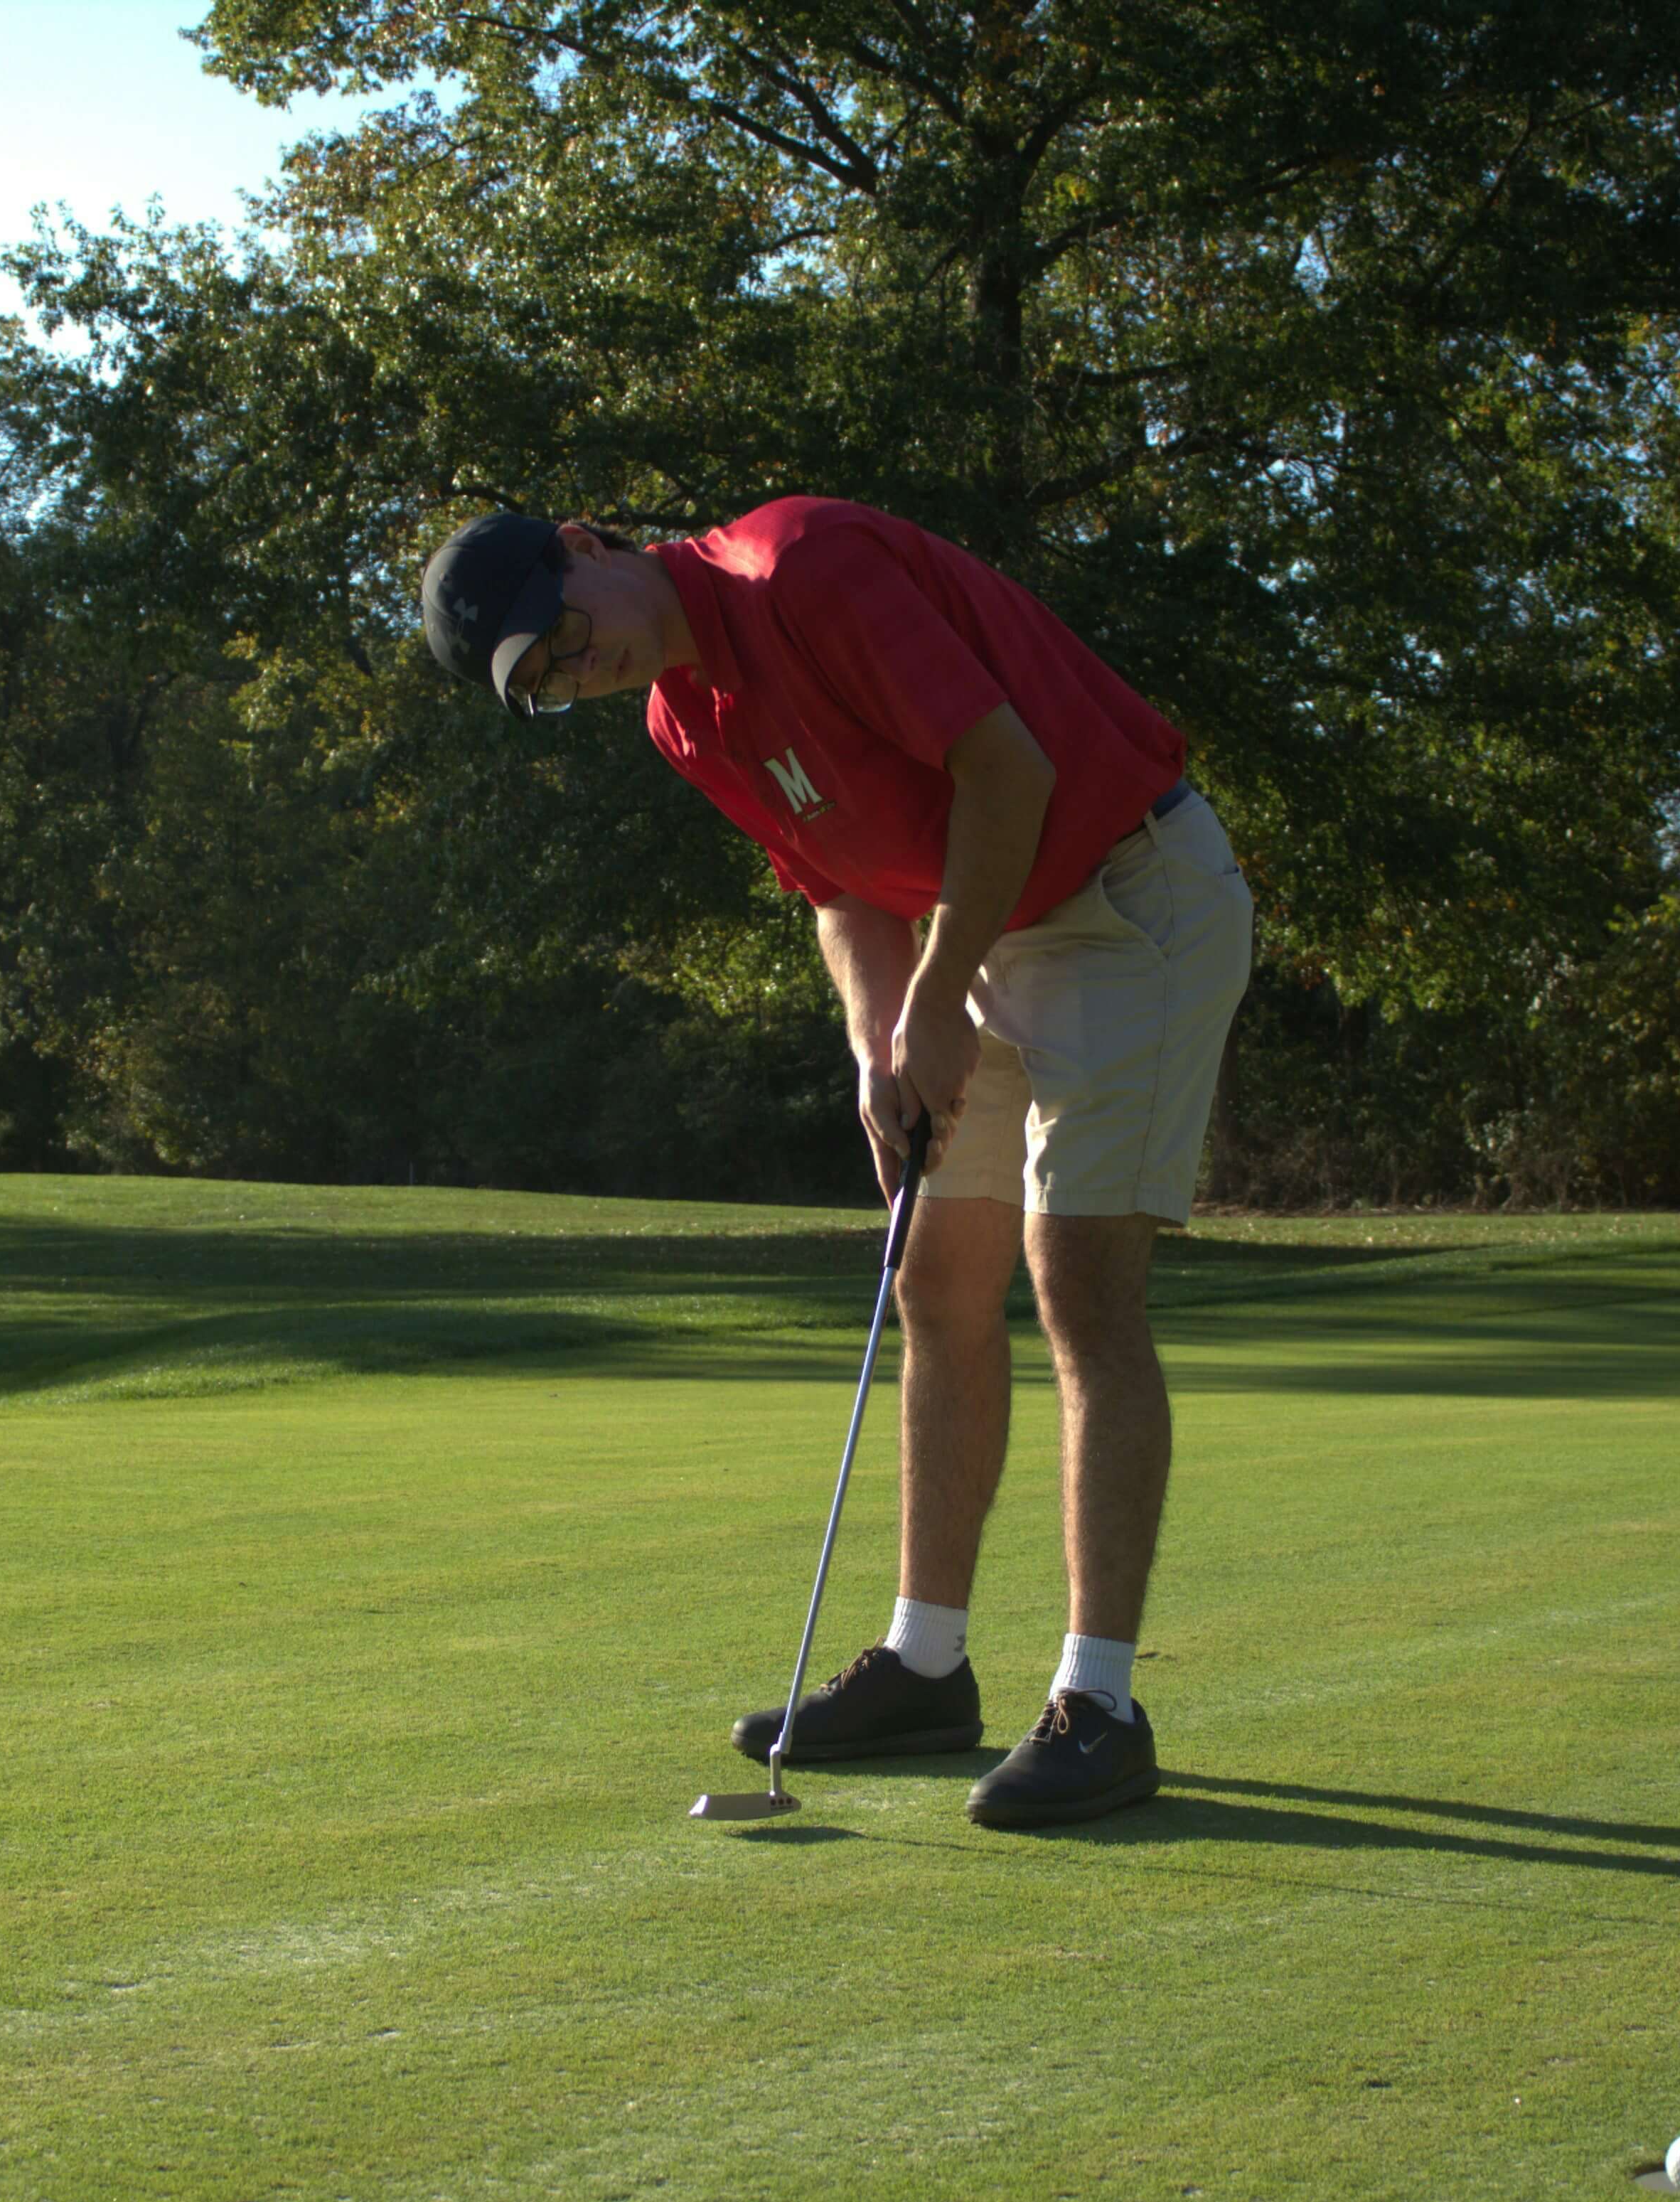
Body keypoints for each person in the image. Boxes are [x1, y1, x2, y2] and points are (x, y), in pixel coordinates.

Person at [420, 498, 1252, 1827]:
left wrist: (938, 998)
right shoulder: (681, 721)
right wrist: (879, 1044)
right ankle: (925, 1665)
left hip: (1124, 896)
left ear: (585, 546)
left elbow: (1009, 774)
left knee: (1079, 1289)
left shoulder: (799, 570)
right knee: (935, 1280)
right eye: (550, 680)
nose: (582, 666)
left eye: (563, 634)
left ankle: (1099, 1704)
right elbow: (840, 886)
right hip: (978, 931)